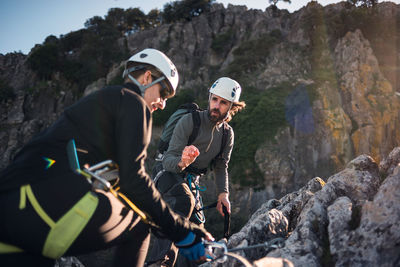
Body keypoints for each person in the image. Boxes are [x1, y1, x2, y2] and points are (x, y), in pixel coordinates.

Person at [0, 48, 213, 267]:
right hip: (44, 206)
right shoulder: (133, 102)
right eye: (164, 92)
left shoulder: (101, 103)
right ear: (147, 77)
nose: (162, 103)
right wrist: (182, 231)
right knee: (139, 227)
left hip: (11, 206)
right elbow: (134, 181)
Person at [148, 77, 246, 266]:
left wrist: (223, 195)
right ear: (209, 98)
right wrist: (183, 161)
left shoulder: (227, 134)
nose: (216, 106)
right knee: (183, 201)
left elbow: (221, 166)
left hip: (192, 181)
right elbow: (168, 161)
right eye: (214, 99)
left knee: (198, 233)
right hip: (167, 171)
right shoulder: (189, 121)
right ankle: (158, 262)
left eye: (223, 102)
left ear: (231, 106)